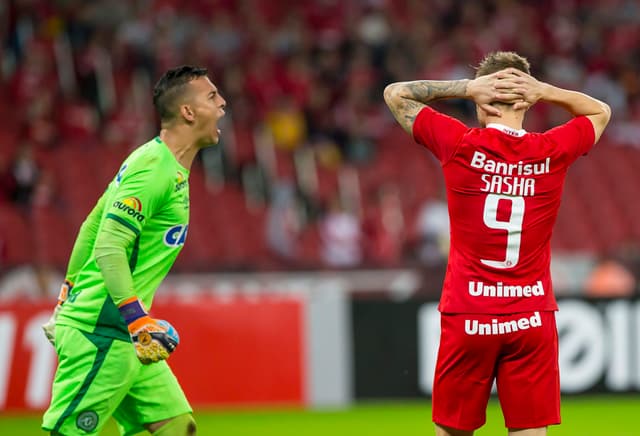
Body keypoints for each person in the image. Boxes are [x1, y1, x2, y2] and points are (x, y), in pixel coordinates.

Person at [383, 51, 611, 436]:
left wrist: (467, 88)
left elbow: (395, 94)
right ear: (525, 100)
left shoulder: (459, 144)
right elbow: (600, 112)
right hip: (532, 316)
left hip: (468, 313)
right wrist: (545, 91)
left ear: (480, 101)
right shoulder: (551, 151)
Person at [41, 65, 226, 435]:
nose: (223, 103)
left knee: (177, 426)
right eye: (211, 96)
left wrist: (66, 292)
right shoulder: (153, 168)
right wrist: (137, 319)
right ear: (187, 112)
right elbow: (109, 245)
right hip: (104, 331)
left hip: (125, 335)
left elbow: (91, 226)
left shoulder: (160, 164)